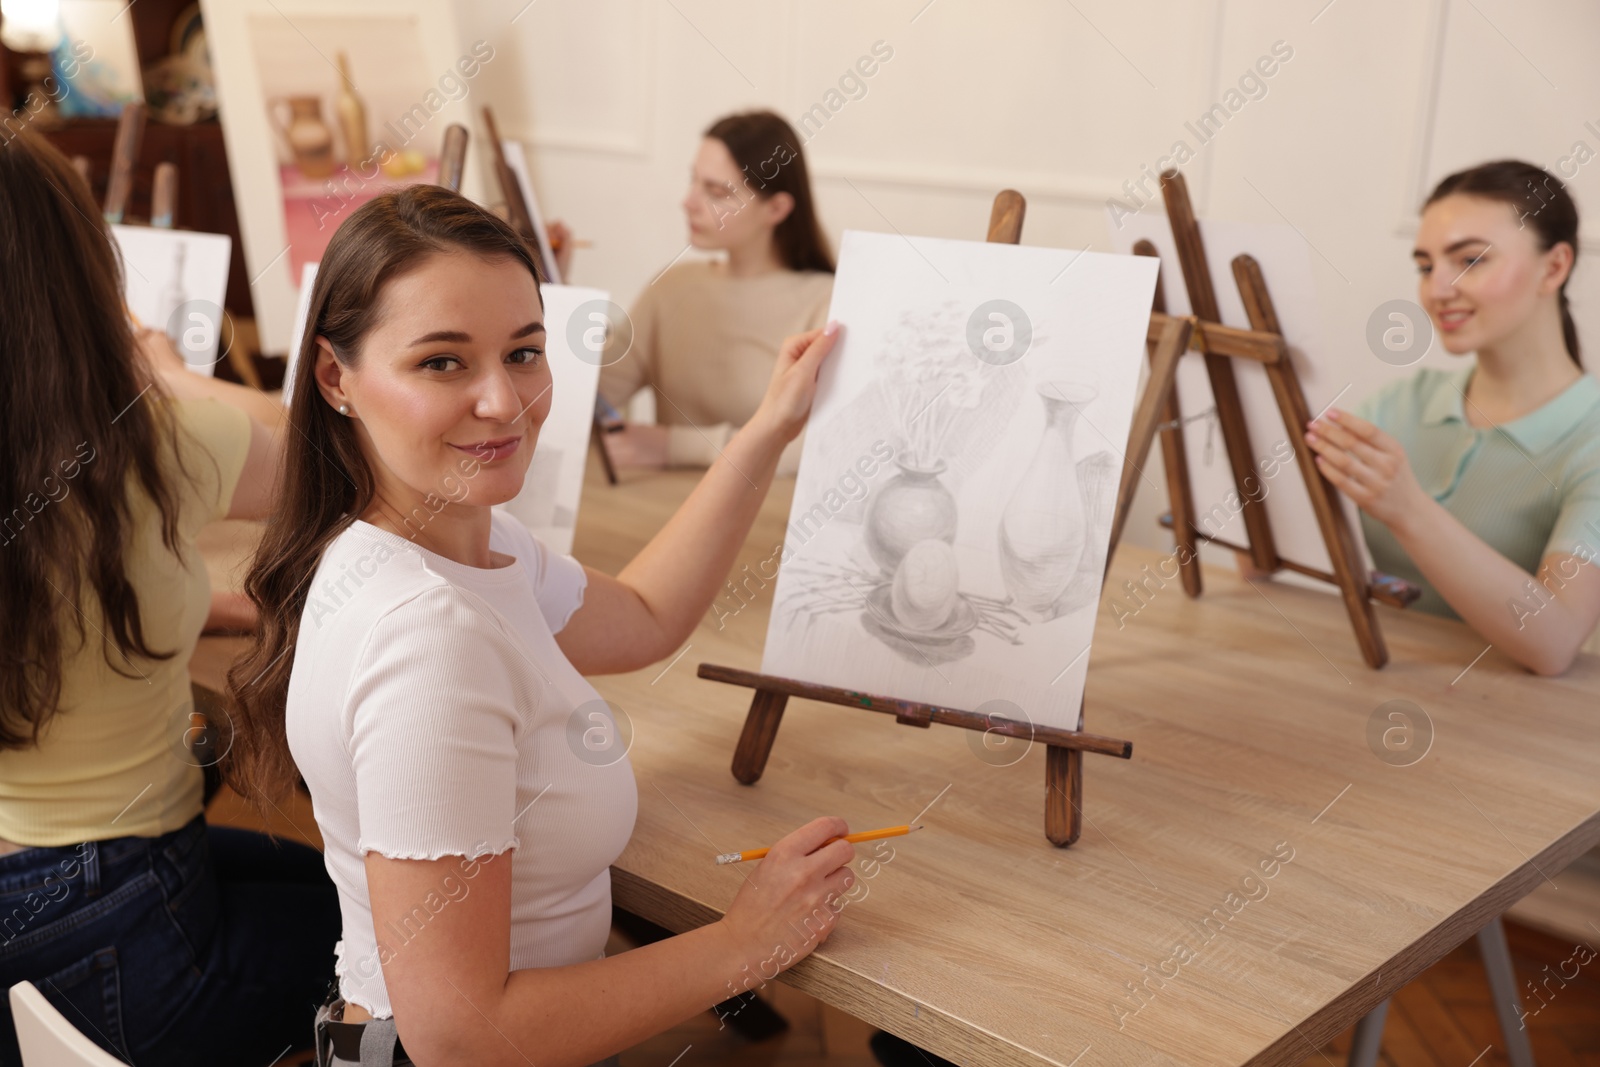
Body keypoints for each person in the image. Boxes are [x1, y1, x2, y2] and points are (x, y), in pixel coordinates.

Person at [224, 185, 856, 1067]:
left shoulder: (457, 543)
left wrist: (765, 430)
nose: (503, 400)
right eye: (442, 363)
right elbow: (464, 1037)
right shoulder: (427, 638)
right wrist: (744, 943)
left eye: (523, 353)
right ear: (337, 378)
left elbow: (641, 617)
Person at [0, 128, 339, 1066]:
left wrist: (190, 603)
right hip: (113, 918)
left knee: (327, 886)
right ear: (82, 274)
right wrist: (170, 370)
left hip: (23, 893)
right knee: (390, 940)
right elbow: (304, 448)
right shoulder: (146, 443)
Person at [1307, 160, 1600, 674]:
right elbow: (1266, 560)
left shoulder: (1589, 439)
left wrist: (1408, 508)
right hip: (1378, 683)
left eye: (1469, 261)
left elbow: (1555, 641)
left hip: (1508, 732)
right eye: (1426, 266)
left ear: (1553, 267)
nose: (1437, 289)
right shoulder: (1405, 403)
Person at [599, 110, 835, 473]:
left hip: (767, 516)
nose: (688, 202)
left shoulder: (825, 302)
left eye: (717, 192)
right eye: (693, 182)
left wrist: (673, 446)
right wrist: (548, 292)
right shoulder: (671, 288)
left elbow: (825, 447)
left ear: (777, 208)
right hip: (659, 508)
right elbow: (588, 401)